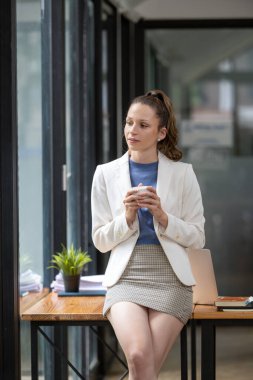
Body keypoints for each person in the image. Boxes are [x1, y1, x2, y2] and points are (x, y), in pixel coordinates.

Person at [91, 89, 205, 380]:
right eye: (129, 122)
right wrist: (126, 218)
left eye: (143, 125)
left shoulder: (183, 174)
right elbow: (100, 241)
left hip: (172, 279)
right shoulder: (105, 174)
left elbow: (198, 237)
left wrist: (164, 217)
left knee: (143, 366)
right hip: (126, 277)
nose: (132, 130)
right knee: (140, 357)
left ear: (161, 132)